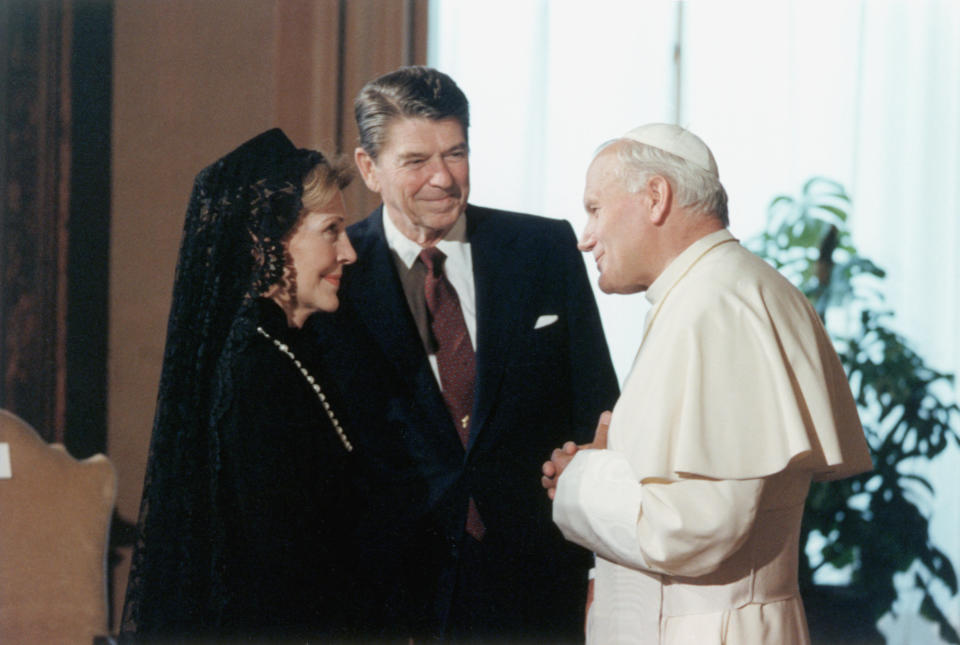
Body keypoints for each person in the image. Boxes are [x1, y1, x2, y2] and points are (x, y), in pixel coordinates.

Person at [311, 65, 620, 642]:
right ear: (368, 168)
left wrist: (604, 565)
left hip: (537, 588)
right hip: (392, 599)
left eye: (456, 154)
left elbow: (600, 410)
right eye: (415, 161)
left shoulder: (544, 250)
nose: (442, 179)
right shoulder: (334, 278)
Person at [541, 123, 874, 644]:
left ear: (655, 197)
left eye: (595, 209)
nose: (585, 238)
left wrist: (582, 478)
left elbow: (697, 527)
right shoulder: (724, 289)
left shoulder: (714, 304)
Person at [120, 129, 388, 641]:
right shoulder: (252, 369)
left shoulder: (292, 347)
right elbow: (275, 568)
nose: (350, 252)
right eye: (331, 231)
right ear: (268, 240)